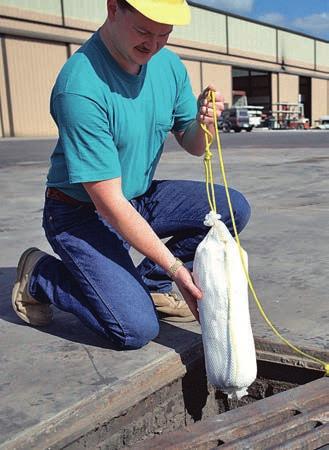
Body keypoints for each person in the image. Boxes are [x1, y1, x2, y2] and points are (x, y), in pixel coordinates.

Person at [12, 0, 251, 350]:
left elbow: (193, 144)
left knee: (233, 208)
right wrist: (176, 269)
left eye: (164, 34)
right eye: (143, 31)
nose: (152, 44)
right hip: (81, 214)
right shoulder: (80, 86)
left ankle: (149, 286)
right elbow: (108, 204)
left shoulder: (166, 65)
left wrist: (205, 124)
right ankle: (41, 277)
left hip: (137, 198)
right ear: (112, 9)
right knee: (133, 329)